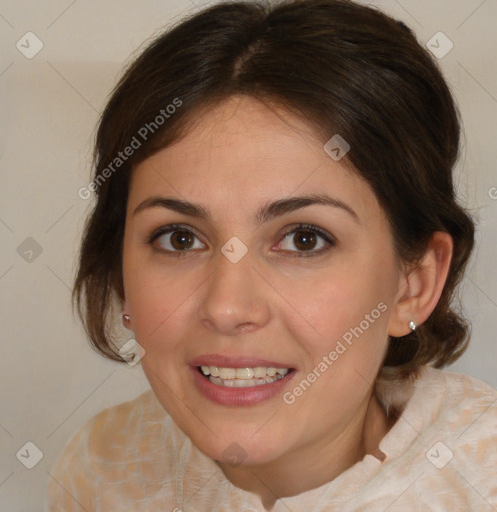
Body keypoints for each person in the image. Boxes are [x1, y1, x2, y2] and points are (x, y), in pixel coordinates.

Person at [46, 0, 497, 510]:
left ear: (412, 284)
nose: (227, 307)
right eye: (179, 238)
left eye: (305, 239)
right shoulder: (99, 468)